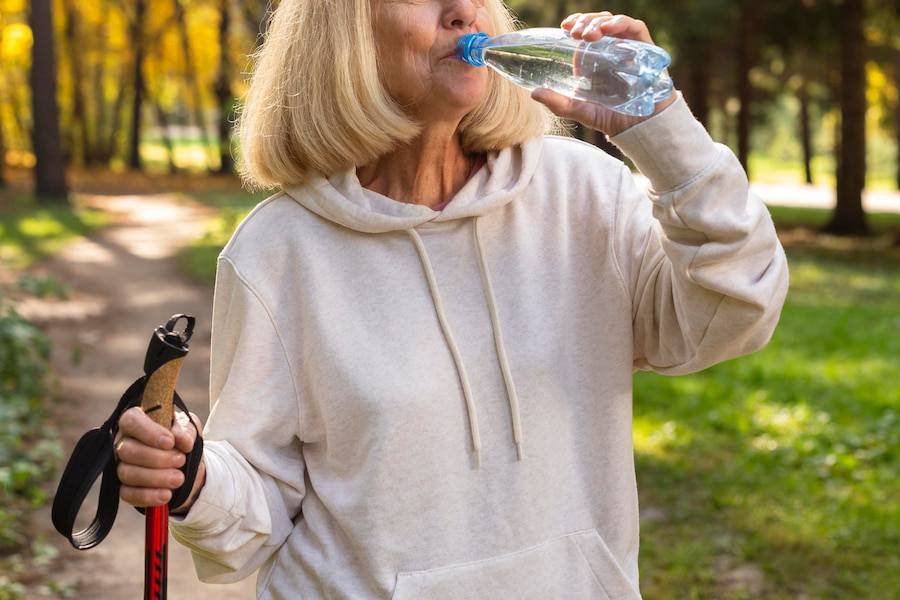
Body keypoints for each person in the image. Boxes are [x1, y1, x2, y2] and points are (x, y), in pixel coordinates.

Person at [112, 1, 789, 598]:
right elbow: (258, 507)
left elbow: (736, 309)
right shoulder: (277, 252)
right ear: (343, 30)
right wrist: (192, 473)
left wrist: (661, 128)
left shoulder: (586, 195)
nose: (465, 10)